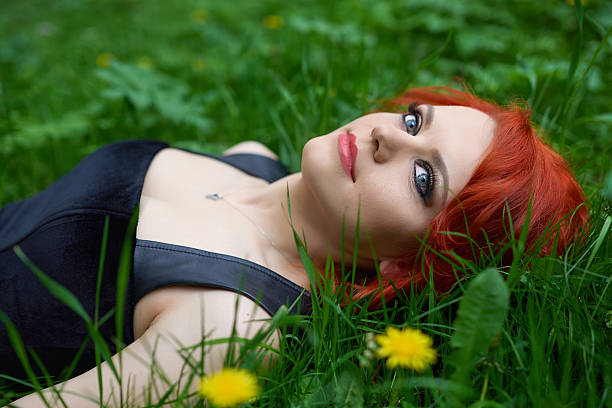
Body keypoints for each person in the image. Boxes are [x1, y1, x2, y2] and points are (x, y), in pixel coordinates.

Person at [0, 86, 588, 407]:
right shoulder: (250, 160)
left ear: (411, 265)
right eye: (414, 122)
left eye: (424, 179)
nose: (384, 134)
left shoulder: (230, 327)